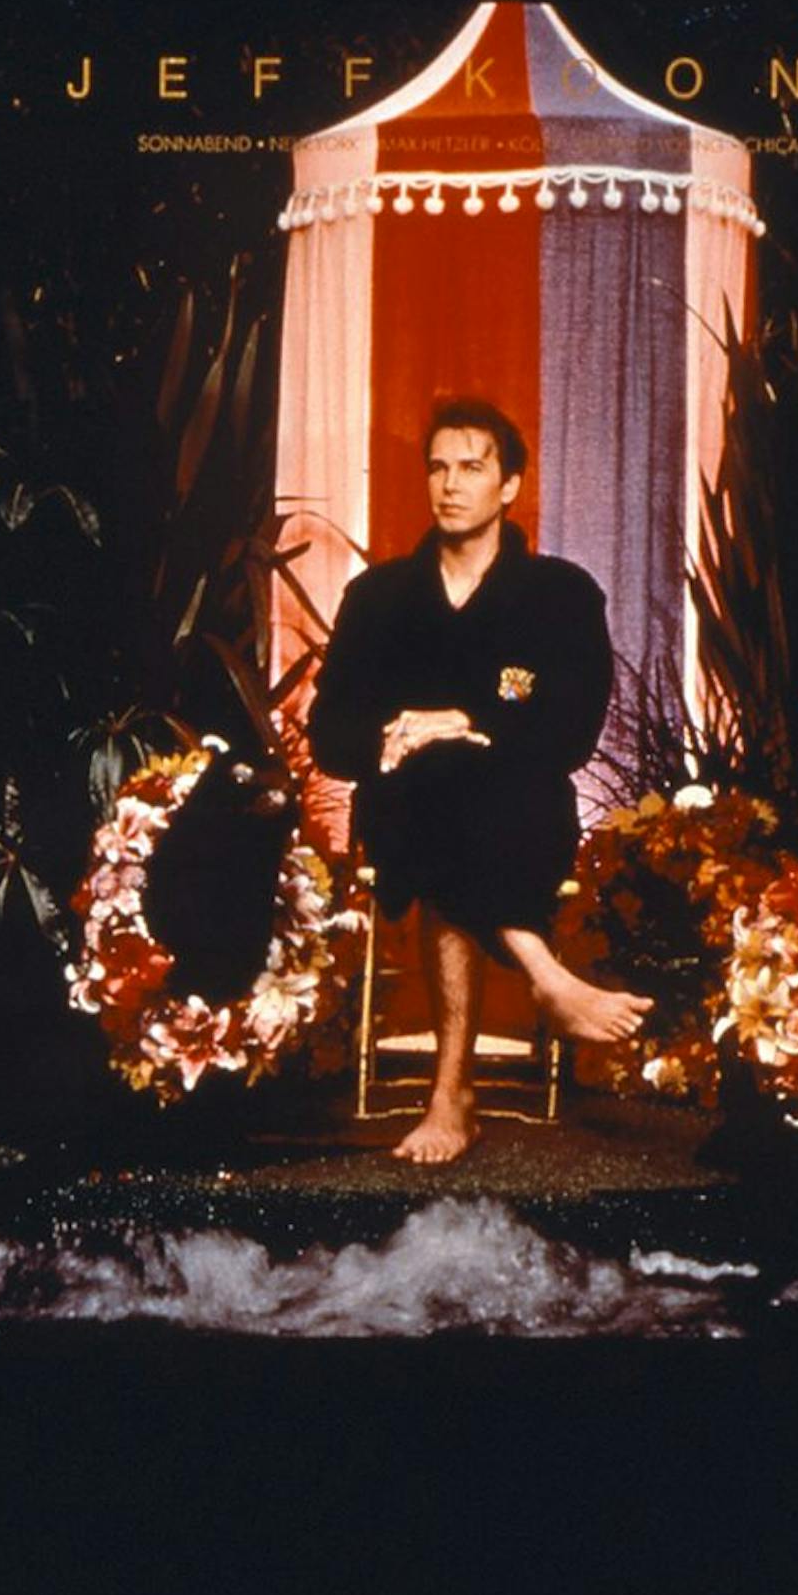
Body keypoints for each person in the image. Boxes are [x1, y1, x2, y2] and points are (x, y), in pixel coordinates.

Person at [308, 399, 652, 1163]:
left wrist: (459, 723)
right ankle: (543, 976)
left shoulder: (562, 595)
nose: (450, 484)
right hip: (404, 810)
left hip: (520, 814)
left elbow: (572, 733)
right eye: (438, 467)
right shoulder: (378, 598)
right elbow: (329, 733)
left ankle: (452, 1094)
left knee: (458, 780)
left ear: (510, 485)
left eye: (471, 467)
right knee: (435, 783)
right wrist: (395, 737)